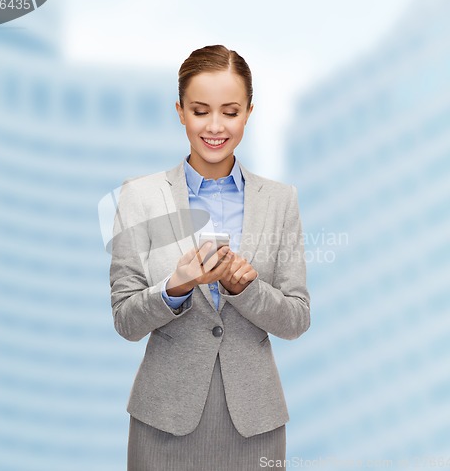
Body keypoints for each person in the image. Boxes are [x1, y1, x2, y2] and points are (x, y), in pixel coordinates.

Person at [109, 44, 311, 471]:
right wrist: (174, 289)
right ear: (180, 112)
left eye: (231, 112)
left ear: (249, 113)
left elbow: (296, 319)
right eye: (200, 111)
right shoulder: (140, 197)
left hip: (255, 425)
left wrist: (247, 290)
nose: (215, 126)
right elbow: (126, 320)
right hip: (162, 421)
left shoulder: (279, 200)